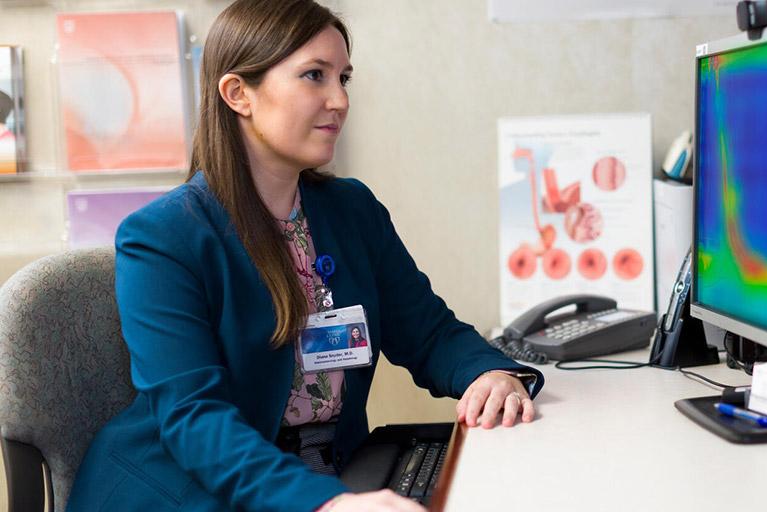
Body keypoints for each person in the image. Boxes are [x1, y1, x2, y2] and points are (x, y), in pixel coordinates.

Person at [66, 1, 543, 511]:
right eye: (314, 75)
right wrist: (329, 503)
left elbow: (428, 333)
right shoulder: (163, 238)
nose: (339, 99)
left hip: (326, 471)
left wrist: (491, 375)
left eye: (344, 78)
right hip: (190, 489)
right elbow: (195, 419)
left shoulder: (351, 210)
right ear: (238, 94)